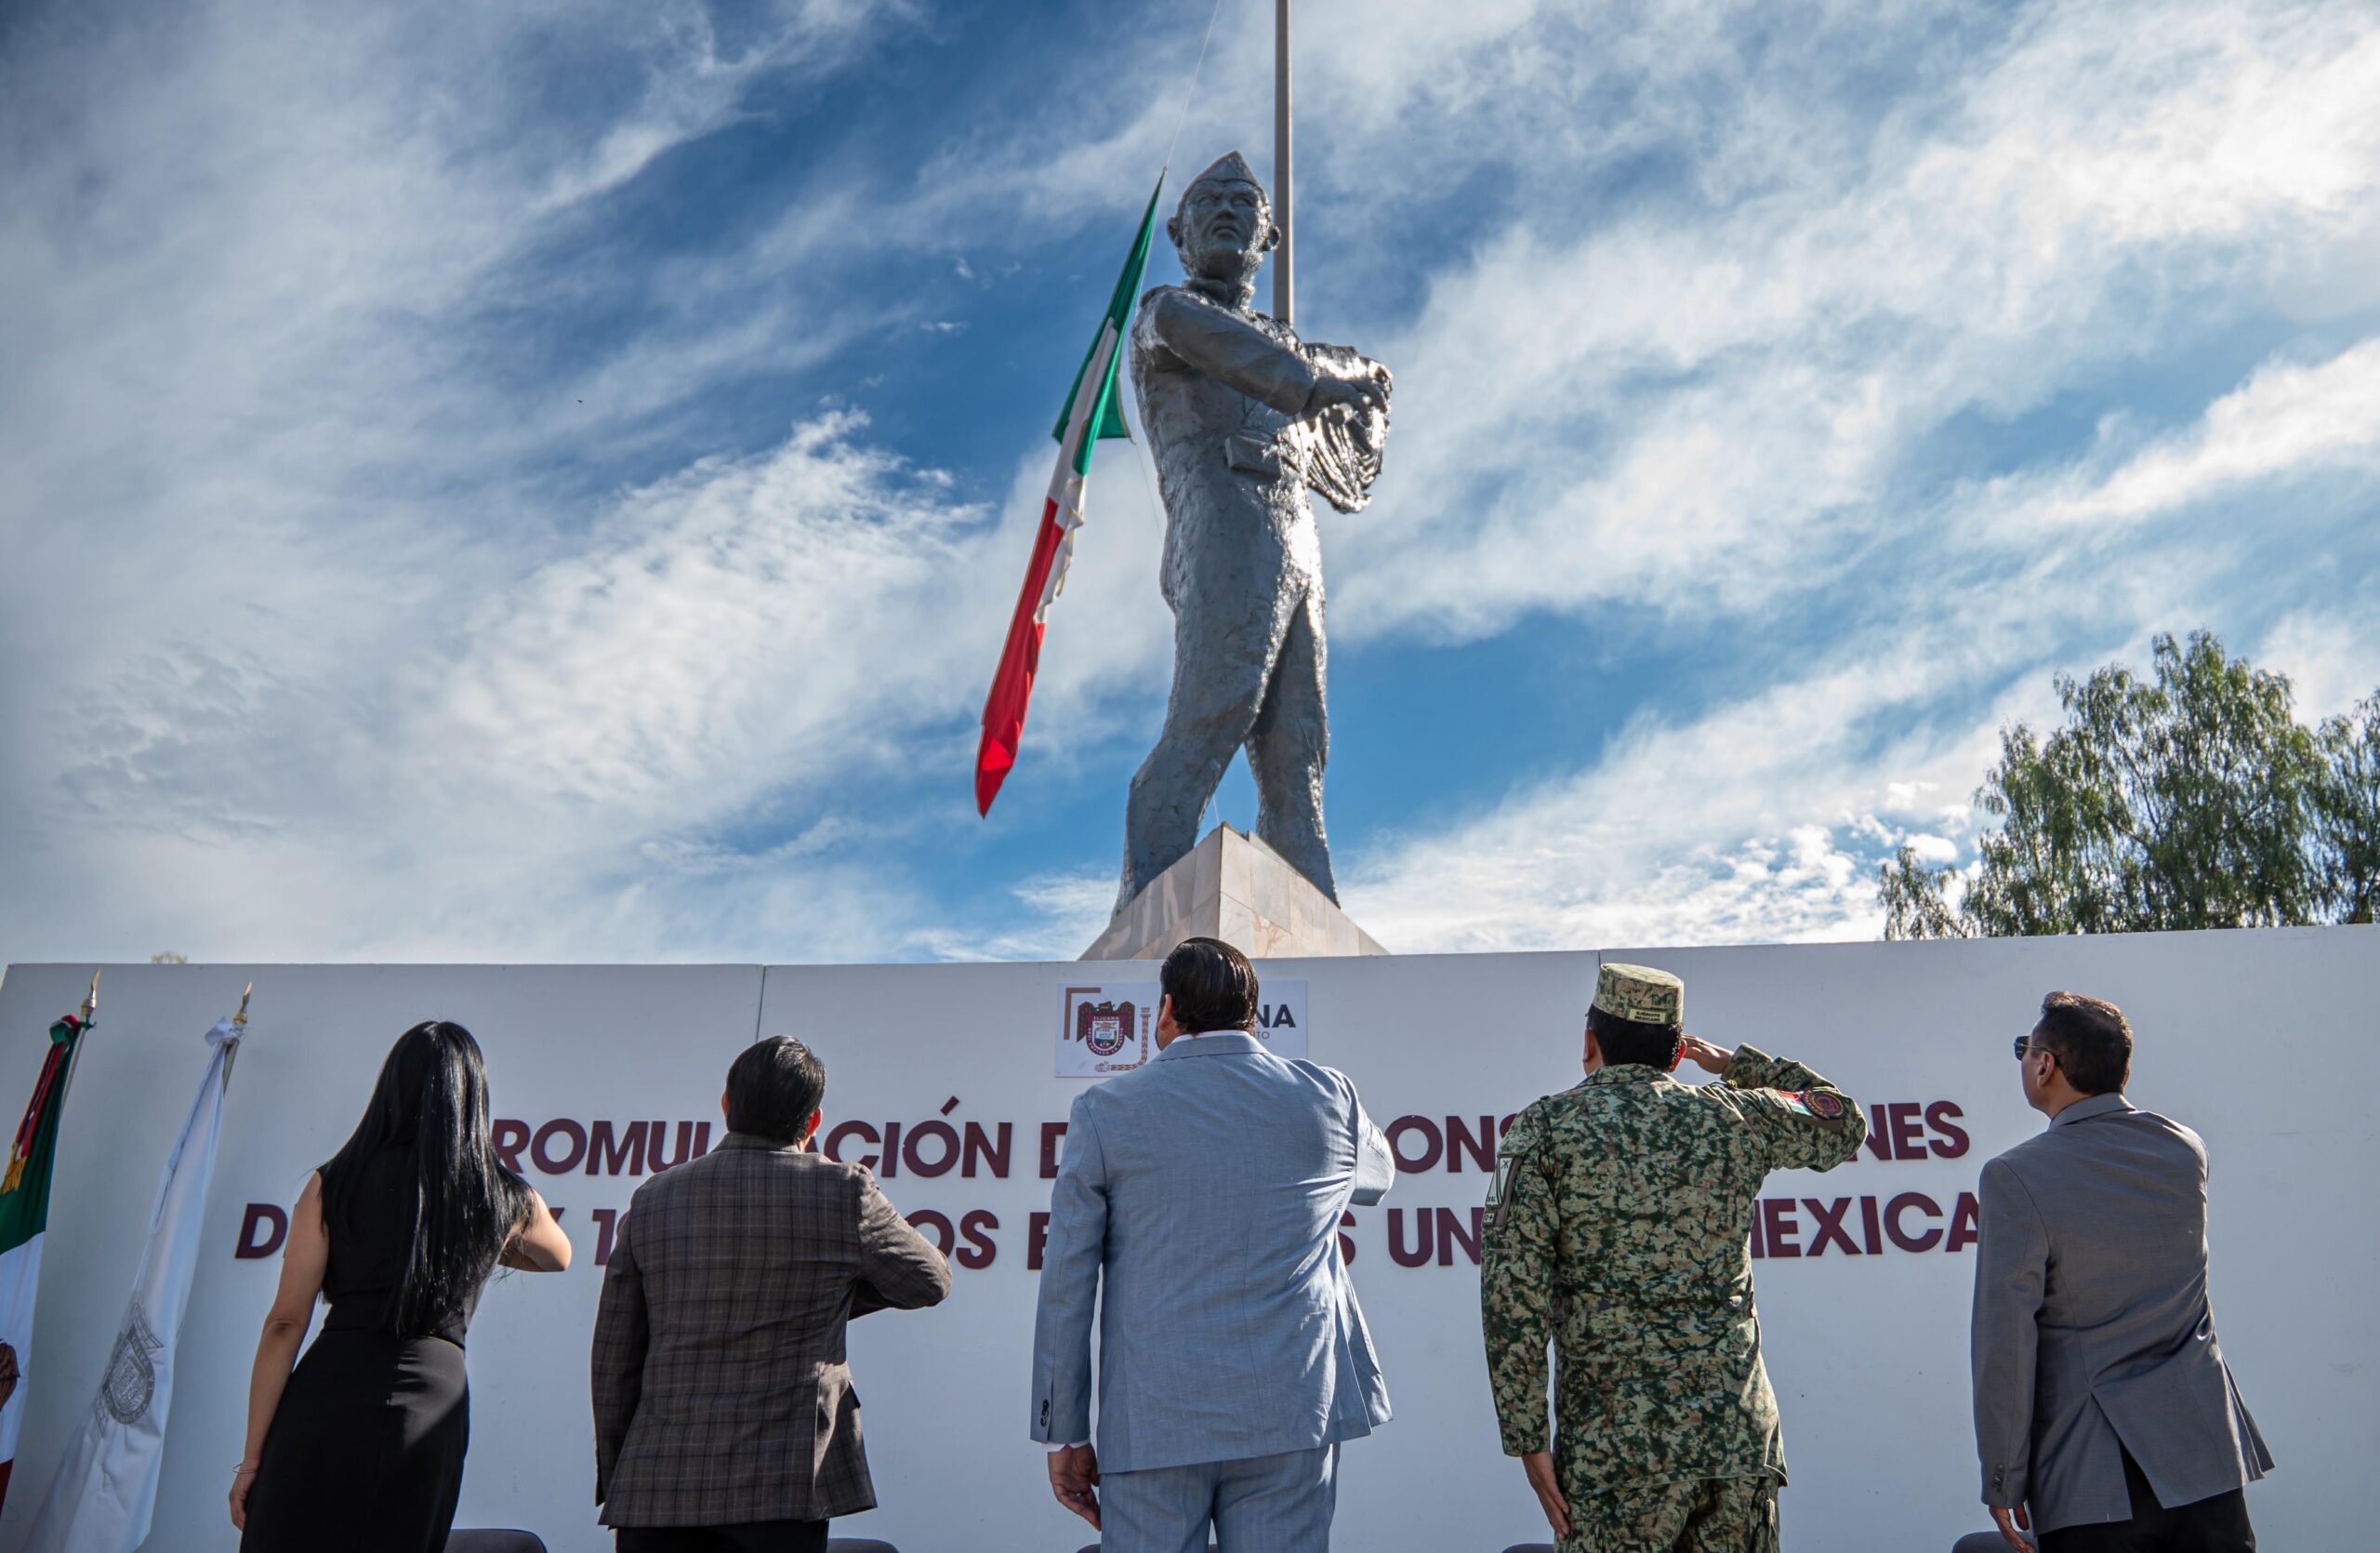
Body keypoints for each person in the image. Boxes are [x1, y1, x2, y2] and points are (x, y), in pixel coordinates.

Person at [1479, 963, 1865, 1553]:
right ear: (1678, 1051)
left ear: (1589, 1043)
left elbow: (1513, 1292)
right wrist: (1735, 1065)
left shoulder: (1546, 1129)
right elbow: (1840, 1118)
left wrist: (1528, 1438)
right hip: (1734, 1441)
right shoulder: (1735, 1114)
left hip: (1616, 1452)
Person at [1030, 936, 1394, 1550]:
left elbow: (1067, 1286)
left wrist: (1062, 1430)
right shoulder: (1329, 1095)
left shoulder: (1104, 1109)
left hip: (1153, 1421)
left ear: (1167, 1009)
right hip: (1293, 1411)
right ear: (1254, 1015)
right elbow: (1378, 1178)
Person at [1115, 152, 1394, 911]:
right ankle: (1148, 909)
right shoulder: (1168, 314)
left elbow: (1350, 428)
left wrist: (1361, 385)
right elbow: (1254, 355)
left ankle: (1313, 920)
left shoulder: (1285, 346)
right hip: (1224, 524)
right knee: (1213, 711)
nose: (1227, 212)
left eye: (1244, 203)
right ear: (1179, 233)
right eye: (1210, 201)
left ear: (1270, 235)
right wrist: (1322, 382)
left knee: (1298, 748)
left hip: (1296, 537)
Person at [591, 1036, 951, 1552]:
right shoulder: (843, 1191)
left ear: (726, 1105)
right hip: (784, 1484)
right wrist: (828, 1299)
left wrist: (620, 1471)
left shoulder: (652, 1198)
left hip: (657, 1483)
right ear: (813, 1121)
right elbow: (931, 1279)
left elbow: (614, 1357)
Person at [232, 1019, 572, 1550]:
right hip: (431, 1399)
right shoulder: (500, 1195)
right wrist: (489, 1227)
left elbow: (285, 1322)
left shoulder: (333, 1181)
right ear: (473, 1098)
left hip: (329, 1392)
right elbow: (558, 1256)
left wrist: (252, 1460)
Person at [1972, 992, 2270, 1551]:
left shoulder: (2015, 1176)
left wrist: (2003, 1475)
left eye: (2025, 1049)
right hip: (2204, 1459)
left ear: (2045, 1065)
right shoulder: (2184, 1149)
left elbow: (2006, 1342)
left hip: (2092, 1476)